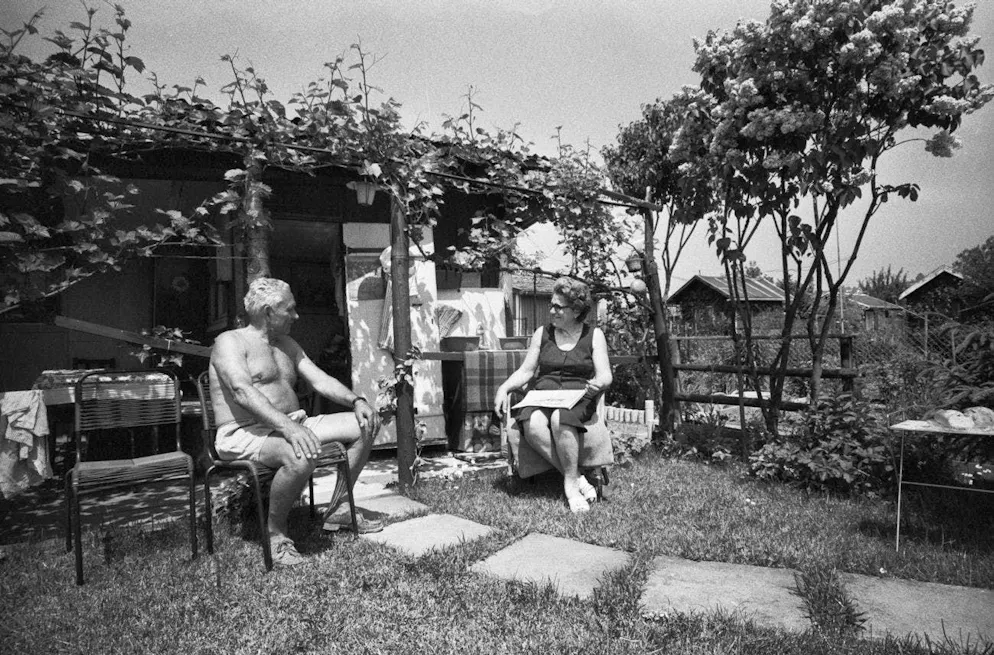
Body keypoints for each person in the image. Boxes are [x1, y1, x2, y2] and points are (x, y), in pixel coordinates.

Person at [209, 277, 383, 566]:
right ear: (268, 312)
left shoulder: (286, 344)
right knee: (300, 454)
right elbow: (241, 391)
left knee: (365, 424)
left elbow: (320, 380)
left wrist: (357, 401)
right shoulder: (230, 342)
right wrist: (289, 428)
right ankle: (276, 535)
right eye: (289, 309)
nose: (296, 316)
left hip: (291, 423)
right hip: (244, 432)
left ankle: (339, 509)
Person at [493, 277, 612, 513]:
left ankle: (570, 487)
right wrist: (503, 388)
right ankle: (576, 477)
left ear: (576, 310)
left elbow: (605, 375)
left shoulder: (594, 335)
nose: (552, 311)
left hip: (578, 396)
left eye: (558, 307)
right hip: (543, 395)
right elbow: (526, 371)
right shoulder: (542, 333)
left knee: (560, 418)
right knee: (533, 421)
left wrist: (598, 383)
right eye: (551, 305)